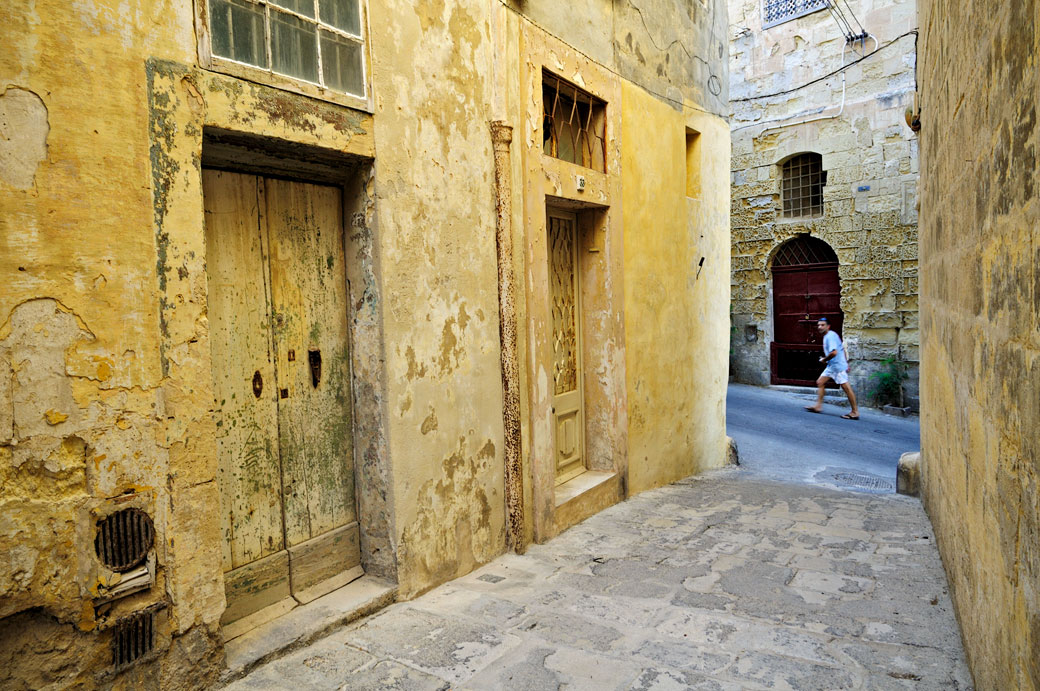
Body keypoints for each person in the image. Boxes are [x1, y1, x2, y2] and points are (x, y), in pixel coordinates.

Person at [804, 317, 860, 419]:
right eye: (819, 325)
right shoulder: (828, 336)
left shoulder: (830, 336)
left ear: (828, 326)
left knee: (846, 388)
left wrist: (824, 359)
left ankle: (855, 412)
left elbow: (834, 352)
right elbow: (841, 349)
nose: (820, 327)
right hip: (832, 366)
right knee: (820, 382)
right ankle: (818, 406)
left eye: (822, 325)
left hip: (837, 366)